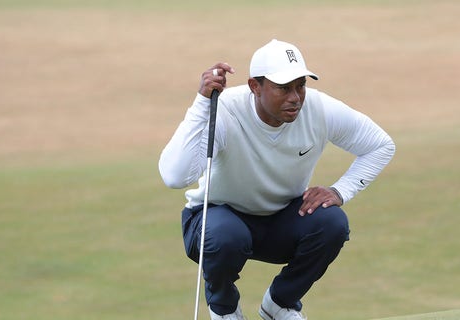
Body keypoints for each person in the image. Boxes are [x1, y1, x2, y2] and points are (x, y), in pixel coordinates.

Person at [159, 39, 395, 320]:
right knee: (225, 236)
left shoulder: (318, 109)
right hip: (216, 222)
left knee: (332, 223)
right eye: (283, 88)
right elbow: (174, 176)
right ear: (254, 87)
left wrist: (340, 191)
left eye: (300, 86)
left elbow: (381, 145)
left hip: (279, 221)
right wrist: (202, 103)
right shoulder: (225, 110)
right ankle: (224, 309)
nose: (295, 97)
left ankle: (280, 304)